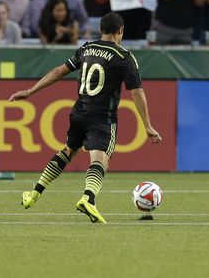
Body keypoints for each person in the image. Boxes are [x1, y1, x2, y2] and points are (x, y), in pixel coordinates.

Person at [11, 12, 162, 224]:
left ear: (100, 30)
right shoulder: (124, 57)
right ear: (120, 31)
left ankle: (34, 192)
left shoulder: (86, 48)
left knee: (68, 150)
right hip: (102, 117)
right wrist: (148, 125)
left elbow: (58, 71)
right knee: (100, 159)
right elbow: (136, 92)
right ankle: (88, 198)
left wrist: (30, 90)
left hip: (79, 112)